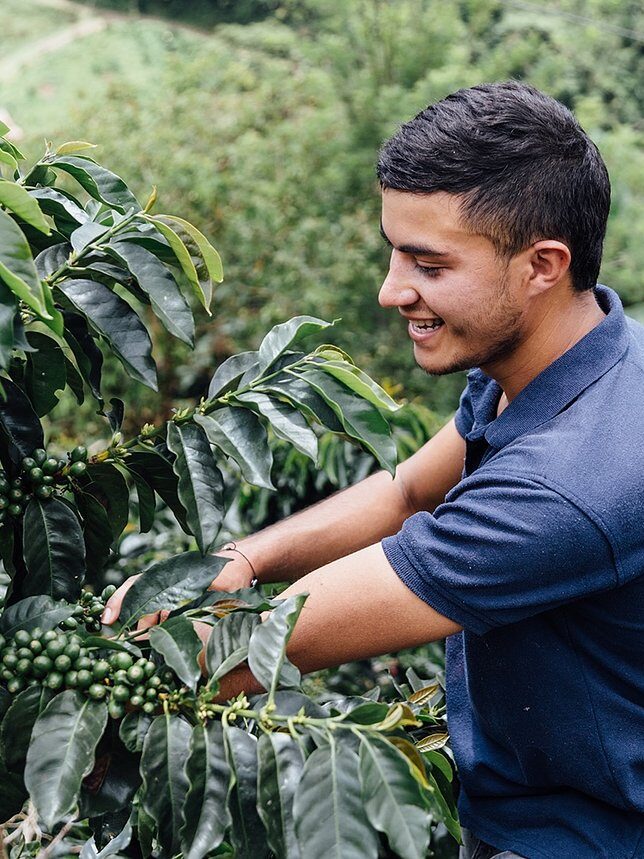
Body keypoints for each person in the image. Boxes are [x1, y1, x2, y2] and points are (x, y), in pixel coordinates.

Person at [103, 81, 644, 858]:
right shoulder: (563, 356)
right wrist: (244, 557)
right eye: (396, 251)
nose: (392, 290)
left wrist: (96, 688)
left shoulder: (568, 483)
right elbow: (412, 489)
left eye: (427, 262)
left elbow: (271, 644)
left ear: (542, 265)